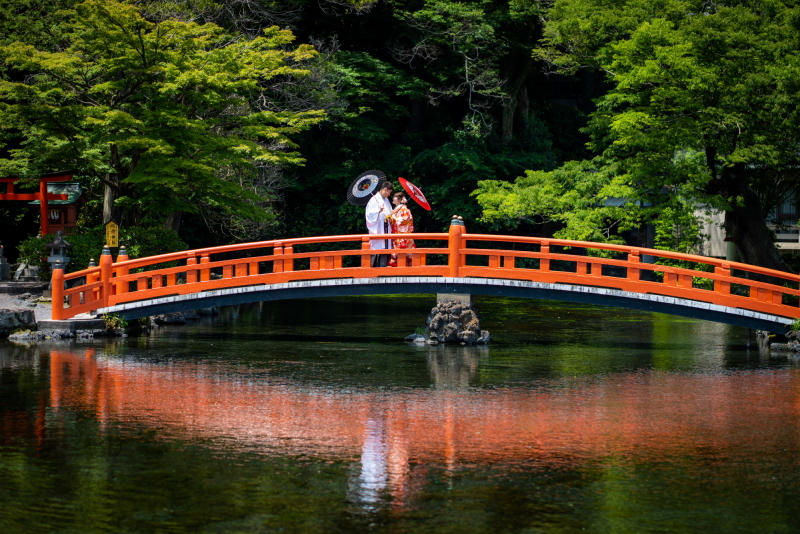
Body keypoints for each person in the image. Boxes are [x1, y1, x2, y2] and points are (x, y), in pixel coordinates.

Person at [365, 181, 394, 267]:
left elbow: (390, 212)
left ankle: (383, 267)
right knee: (377, 249)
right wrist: (378, 211)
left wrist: (390, 216)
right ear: (385, 189)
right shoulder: (373, 200)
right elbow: (369, 215)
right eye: (389, 192)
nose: (389, 195)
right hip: (378, 229)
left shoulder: (386, 200)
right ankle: (375, 269)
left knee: (385, 249)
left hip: (386, 228)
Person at [389, 191, 416, 267]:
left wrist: (395, 218)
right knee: (397, 248)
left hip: (402, 233)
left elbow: (405, 220)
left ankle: (403, 264)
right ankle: (398, 264)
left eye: (395, 197)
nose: (393, 198)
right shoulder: (397, 209)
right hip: (396, 233)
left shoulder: (404, 209)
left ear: (400, 200)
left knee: (403, 248)